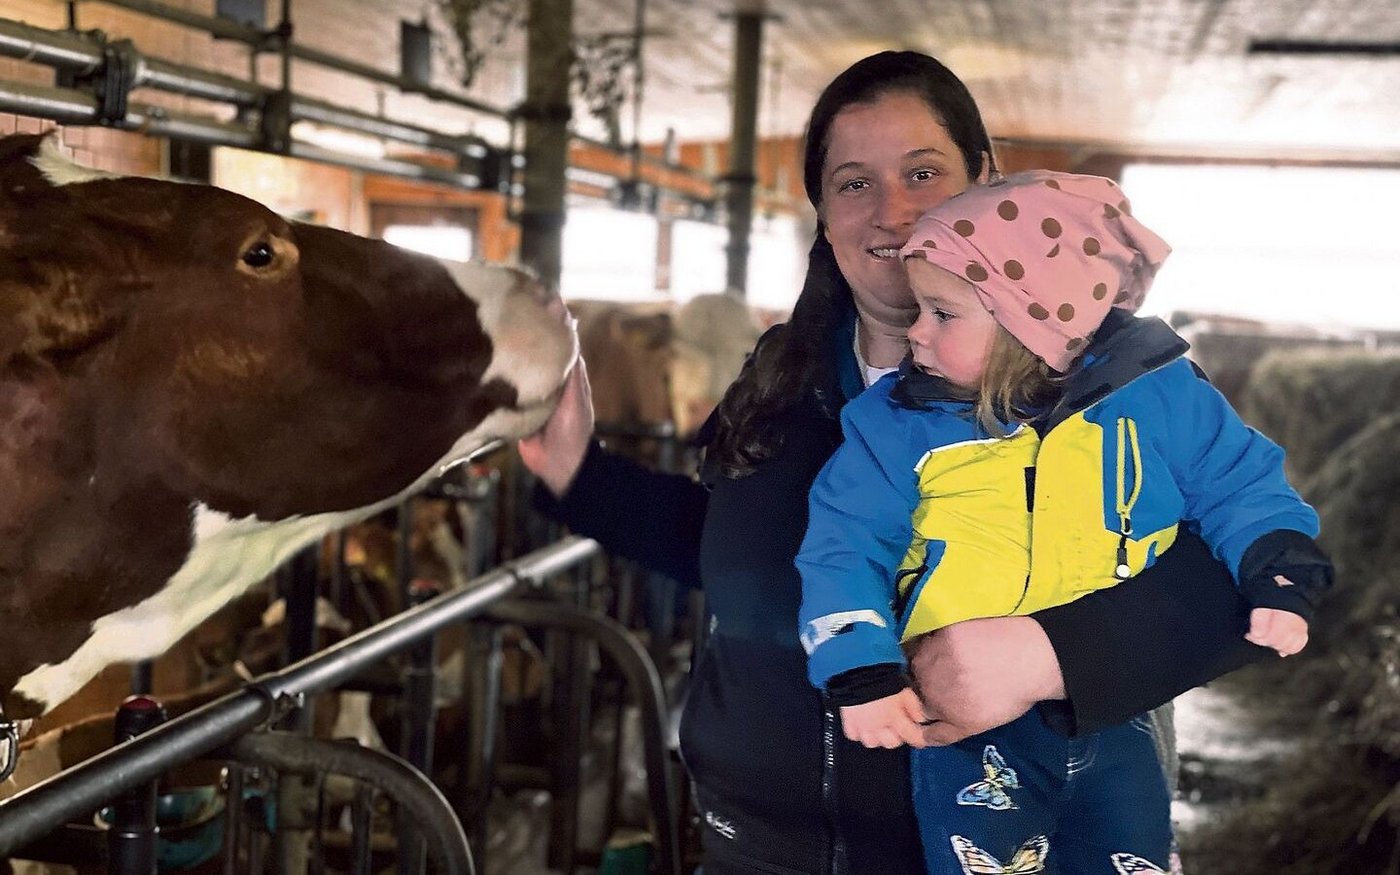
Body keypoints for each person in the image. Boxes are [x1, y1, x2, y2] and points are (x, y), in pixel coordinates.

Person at [519, 51, 1268, 875]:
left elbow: (1250, 573)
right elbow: (756, 550)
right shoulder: (783, 375)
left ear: (985, 179)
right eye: (852, 182)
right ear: (823, 211)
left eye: (923, 171)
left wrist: (1047, 654)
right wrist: (581, 478)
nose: (893, 213)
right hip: (758, 851)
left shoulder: (1113, 383)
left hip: (1002, 850)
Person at [796, 170, 1334, 873]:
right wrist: (859, 665)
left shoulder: (1157, 394)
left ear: (1035, 325)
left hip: (1120, 705)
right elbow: (843, 543)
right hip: (973, 728)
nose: (915, 331)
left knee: (1130, 858)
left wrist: (1278, 565)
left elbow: (1237, 479)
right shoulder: (897, 424)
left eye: (942, 312)